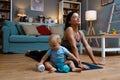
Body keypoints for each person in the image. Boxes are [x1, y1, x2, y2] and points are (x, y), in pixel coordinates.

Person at [25, 11, 104, 69]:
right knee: (42, 55)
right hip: (57, 51)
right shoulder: (69, 29)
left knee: (44, 53)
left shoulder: (81, 32)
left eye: (78, 16)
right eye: (75, 17)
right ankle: (31, 52)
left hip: (65, 55)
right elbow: (73, 46)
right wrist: (79, 63)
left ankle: (38, 51)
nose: (78, 18)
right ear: (69, 21)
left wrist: (94, 61)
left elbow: (87, 46)